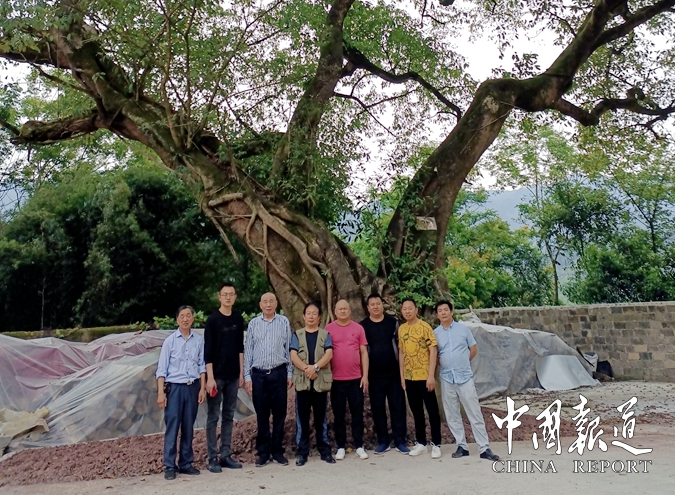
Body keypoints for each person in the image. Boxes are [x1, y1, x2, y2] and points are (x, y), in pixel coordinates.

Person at [433, 300, 500, 461]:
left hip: (464, 377)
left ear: (451, 312)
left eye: (446, 310)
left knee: (474, 411)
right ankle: (461, 446)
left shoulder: (463, 330)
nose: (443, 313)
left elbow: (473, 349)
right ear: (437, 315)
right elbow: (435, 355)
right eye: (440, 311)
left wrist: (461, 362)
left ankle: (484, 447)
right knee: (452, 413)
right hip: (447, 377)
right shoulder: (435, 333)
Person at [156, 305, 206, 480]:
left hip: (192, 387)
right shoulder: (170, 341)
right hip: (174, 389)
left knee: (188, 426)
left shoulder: (198, 341)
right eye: (182, 316)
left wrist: (202, 388)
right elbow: (161, 369)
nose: (185, 319)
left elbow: (201, 365)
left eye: (188, 315)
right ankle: (170, 465)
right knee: (172, 426)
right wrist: (161, 393)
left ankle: (186, 463)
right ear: (177, 319)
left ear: (193, 318)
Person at [243, 292, 293, 467]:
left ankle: (278, 451)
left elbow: (288, 348)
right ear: (260, 305)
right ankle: (263, 452)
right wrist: (247, 377)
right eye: (265, 301)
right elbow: (248, 351)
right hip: (259, 375)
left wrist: (289, 373)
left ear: (276, 303)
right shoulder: (253, 324)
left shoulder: (284, 322)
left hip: (279, 373)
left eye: (271, 301)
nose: (268, 304)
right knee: (262, 414)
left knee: (280, 414)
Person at [360, 294, 409, 455]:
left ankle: (400, 440)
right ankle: (383, 441)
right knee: (378, 408)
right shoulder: (363, 326)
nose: (375, 307)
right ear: (368, 308)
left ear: (382, 305)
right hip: (374, 375)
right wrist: (365, 375)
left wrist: (402, 373)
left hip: (394, 373)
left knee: (398, 407)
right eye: (372, 304)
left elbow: (400, 348)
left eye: (378, 304)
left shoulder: (392, 323)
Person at [204, 283, 245, 473]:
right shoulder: (212, 320)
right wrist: (210, 377)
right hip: (216, 376)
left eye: (231, 294)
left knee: (229, 415)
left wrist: (241, 373)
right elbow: (208, 351)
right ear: (219, 297)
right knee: (213, 416)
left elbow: (240, 348)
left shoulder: (238, 318)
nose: (228, 297)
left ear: (235, 297)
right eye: (225, 294)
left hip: (233, 376)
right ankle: (212, 457)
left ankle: (225, 454)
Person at [290, 302, 335, 466]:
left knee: (321, 419)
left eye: (314, 313)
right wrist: (307, 369)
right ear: (303, 316)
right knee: (302, 420)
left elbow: (329, 353)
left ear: (319, 317)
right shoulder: (297, 335)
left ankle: (325, 451)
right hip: (302, 383)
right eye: (308, 313)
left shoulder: (325, 334)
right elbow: (293, 355)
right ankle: (302, 452)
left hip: (320, 382)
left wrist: (315, 367)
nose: (311, 316)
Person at [325, 299, 369, 461]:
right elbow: (325, 354)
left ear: (350, 311)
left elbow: (363, 352)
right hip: (336, 380)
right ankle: (341, 446)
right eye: (340, 309)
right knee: (339, 415)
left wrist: (365, 376)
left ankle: (359, 445)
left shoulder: (358, 328)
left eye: (345, 309)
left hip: (356, 379)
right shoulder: (328, 329)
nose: (343, 311)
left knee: (357, 413)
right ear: (335, 312)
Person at [398, 298, 442, 459]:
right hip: (409, 377)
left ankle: (436, 444)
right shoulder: (402, 329)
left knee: (432, 411)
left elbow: (433, 350)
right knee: (417, 411)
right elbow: (401, 352)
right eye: (404, 308)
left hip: (424, 376)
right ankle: (421, 443)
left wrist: (431, 375)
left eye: (410, 308)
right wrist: (402, 375)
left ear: (416, 310)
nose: (407, 311)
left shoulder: (425, 327)